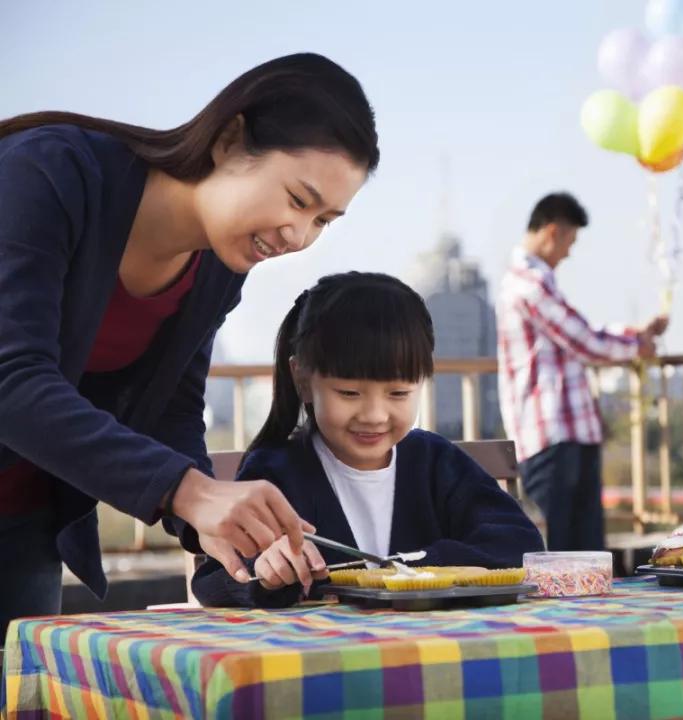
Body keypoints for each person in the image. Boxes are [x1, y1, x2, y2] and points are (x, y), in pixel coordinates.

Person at [0, 53, 379, 636]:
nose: (298, 236)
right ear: (230, 140)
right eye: (298, 201)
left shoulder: (218, 265)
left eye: (323, 221)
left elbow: (171, 413)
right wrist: (187, 491)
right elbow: (11, 379)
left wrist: (210, 523)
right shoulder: (49, 173)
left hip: (23, 519)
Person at [193, 272, 544, 608]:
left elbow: (519, 543)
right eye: (349, 393)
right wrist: (264, 572)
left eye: (398, 393)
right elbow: (214, 580)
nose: (375, 415)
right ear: (301, 379)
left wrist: (427, 567)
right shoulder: (275, 471)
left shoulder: (436, 461)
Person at [496, 192, 668, 552]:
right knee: (562, 551)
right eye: (570, 241)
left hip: (568, 432)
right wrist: (638, 346)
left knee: (585, 551)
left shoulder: (533, 283)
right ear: (553, 232)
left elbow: (579, 334)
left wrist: (636, 335)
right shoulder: (527, 284)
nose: (569, 252)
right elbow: (583, 340)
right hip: (551, 435)